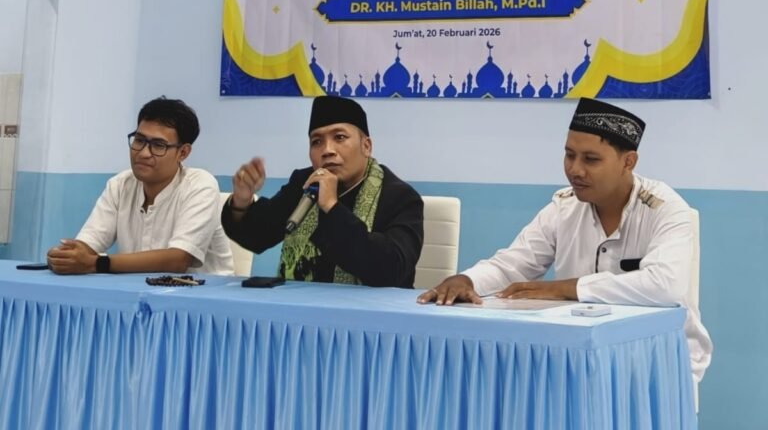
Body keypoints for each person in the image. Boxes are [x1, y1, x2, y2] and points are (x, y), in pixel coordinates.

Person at [417, 97, 712, 383]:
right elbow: (512, 265)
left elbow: (665, 285)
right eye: (569, 155)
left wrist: (567, 288)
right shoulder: (564, 207)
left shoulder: (665, 209)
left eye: (591, 159)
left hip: (656, 362)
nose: (575, 170)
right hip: (577, 357)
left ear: (628, 162)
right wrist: (467, 280)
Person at [222, 96, 423, 287]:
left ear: (366, 146)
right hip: (302, 307)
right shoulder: (305, 184)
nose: (327, 150)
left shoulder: (400, 197)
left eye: (339, 137)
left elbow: (392, 268)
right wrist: (241, 201)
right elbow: (259, 236)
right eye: (317, 142)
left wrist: (331, 207)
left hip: (372, 310)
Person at [47, 97, 234, 275]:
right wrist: (67, 256)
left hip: (200, 295)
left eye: (158, 145)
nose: (144, 153)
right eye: (139, 140)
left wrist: (97, 263)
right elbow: (88, 244)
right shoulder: (120, 185)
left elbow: (178, 260)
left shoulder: (200, 185)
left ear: (183, 153)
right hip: (135, 291)